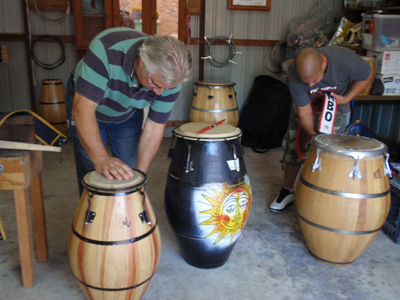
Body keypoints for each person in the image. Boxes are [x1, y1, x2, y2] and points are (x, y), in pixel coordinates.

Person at [66, 27, 193, 196]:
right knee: (92, 171)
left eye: (166, 88)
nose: (159, 93)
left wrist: (138, 181)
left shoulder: (170, 79)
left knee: (129, 171)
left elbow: (155, 128)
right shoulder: (106, 49)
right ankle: (92, 217)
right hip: (87, 109)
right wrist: (101, 159)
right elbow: (83, 111)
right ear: (141, 63)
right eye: (155, 84)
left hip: (127, 113)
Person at [269, 46, 374, 211]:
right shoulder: (294, 76)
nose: (311, 84)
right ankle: (287, 191)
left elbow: (367, 75)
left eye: (315, 80)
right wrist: (311, 136)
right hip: (307, 104)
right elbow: (304, 113)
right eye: (307, 82)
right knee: (294, 144)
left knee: (332, 151)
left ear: (324, 64)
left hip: (337, 102)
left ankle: (327, 192)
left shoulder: (345, 61)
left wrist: (347, 98)